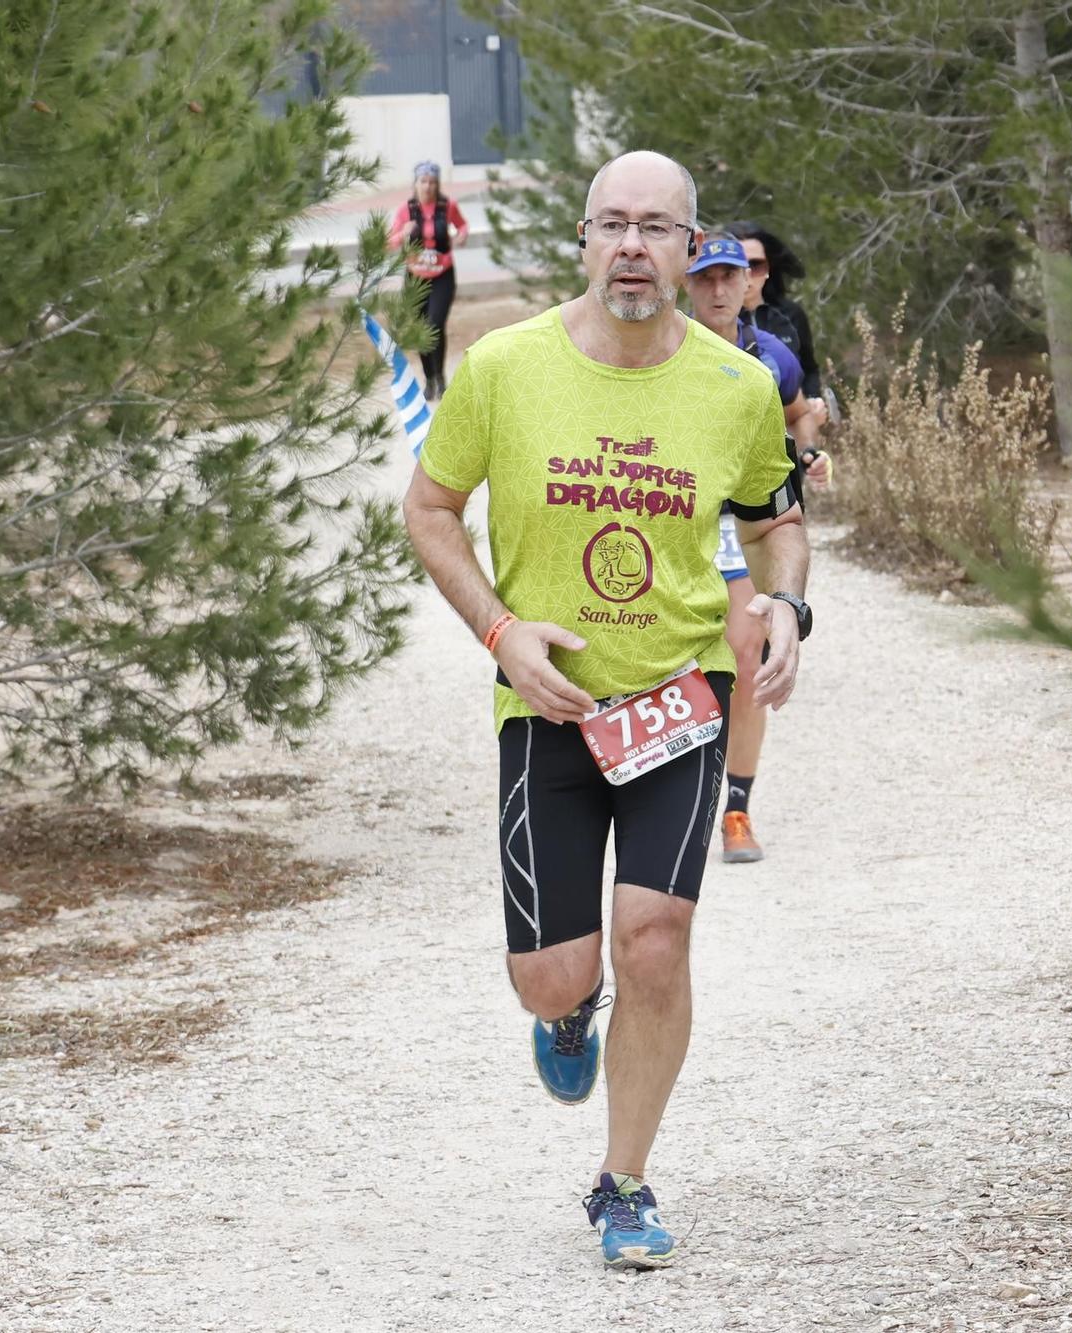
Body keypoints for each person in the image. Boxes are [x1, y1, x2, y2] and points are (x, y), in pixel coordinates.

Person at [401, 151, 814, 1270]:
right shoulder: (501, 368)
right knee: (555, 970)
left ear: (693, 252)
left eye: (658, 229)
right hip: (548, 707)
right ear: (582, 241)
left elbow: (776, 520)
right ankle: (565, 1010)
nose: (633, 246)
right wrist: (500, 631)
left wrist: (783, 605)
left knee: (658, 938)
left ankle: (622, 1181)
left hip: (681, 699)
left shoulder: (734, 388)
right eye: (612, 225)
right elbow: (430, 509)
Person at [683, 235, 831, 864]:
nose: (720, 290)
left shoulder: (771, 356)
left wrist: (810, 454)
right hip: (676, 522)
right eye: (706, 278)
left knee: (747, 661)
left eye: (731, 277)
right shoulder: (661, 349)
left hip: (749, 527)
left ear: (750, 283)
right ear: (687, 283)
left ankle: (736, 810)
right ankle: (670, 796)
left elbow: (800, 413)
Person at [728, 220, 828, 425]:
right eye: (737, 266)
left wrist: (814, 399)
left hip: (791, 431)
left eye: (756, 265)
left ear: (768, 269)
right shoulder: (713, 320)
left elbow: (809, 368)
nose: (747, 275)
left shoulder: (791, 314)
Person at [387, 160, 470, 400]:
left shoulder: (447, 206)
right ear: (415, 184)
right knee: (420, 330)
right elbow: (390, 242)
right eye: (423, 181)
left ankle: (440, 375)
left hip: (442, 275)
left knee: (435, 325)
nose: (428, 187)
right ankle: (429, 378)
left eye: (433, 182)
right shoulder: (405, 210)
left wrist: (461, 236)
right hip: (415, 278)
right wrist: (403, 233)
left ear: (438, 184)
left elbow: (462, 226)